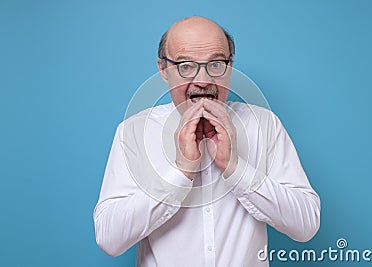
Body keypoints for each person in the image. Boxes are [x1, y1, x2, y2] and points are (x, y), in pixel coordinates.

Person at [94, 16, 320, 267]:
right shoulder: (133, 132)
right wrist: (181, 172)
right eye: (186, 66)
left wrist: (234, 168)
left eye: (215, 64)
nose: (203, 80)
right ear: (163, 70)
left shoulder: (264, 124)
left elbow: (306, 225)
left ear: (230, 66)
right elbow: (109, 239)